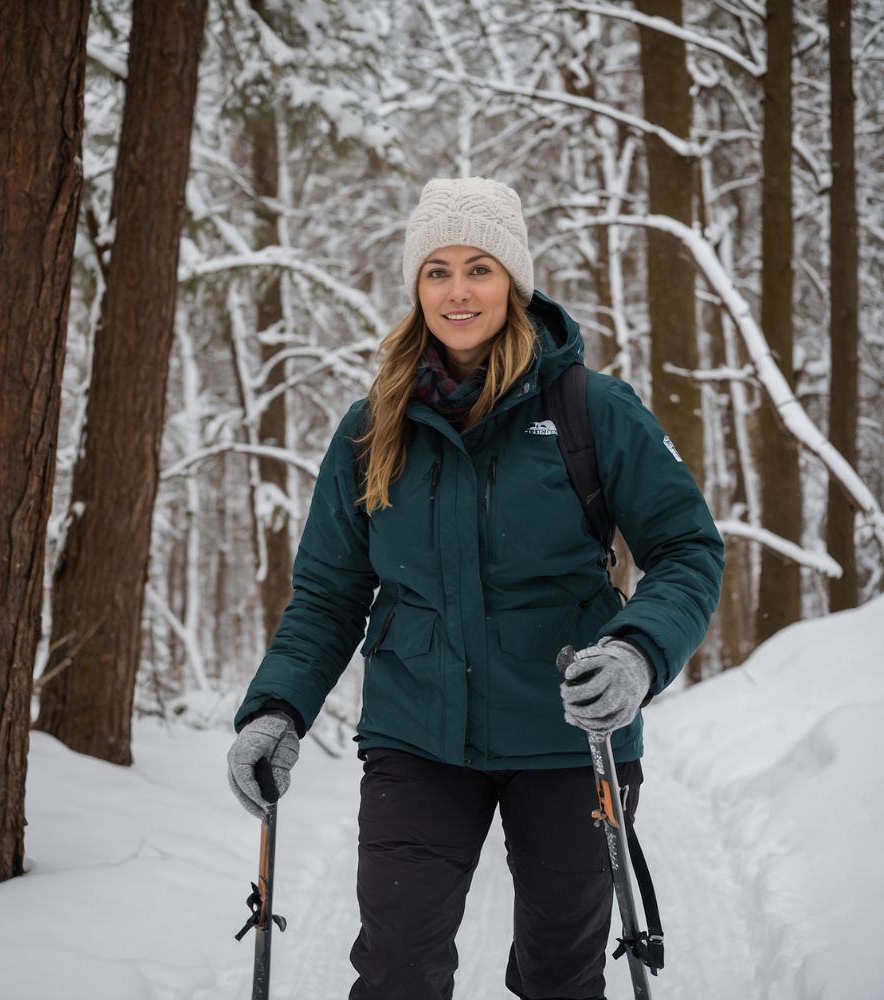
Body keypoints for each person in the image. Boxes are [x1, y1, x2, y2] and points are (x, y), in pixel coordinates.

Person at [227, 177, 724, 1000]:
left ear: (515, 281)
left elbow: (687, 548)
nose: (458, 291)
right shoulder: (369, 427)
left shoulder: (589, 410)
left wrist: (636, 654)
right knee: (396, 972)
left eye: (479, 268)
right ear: (417, 286)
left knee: (560, 976)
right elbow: (328, 594)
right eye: (437, 271)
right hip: (417, 738)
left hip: (572, 741)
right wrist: (277, 710)